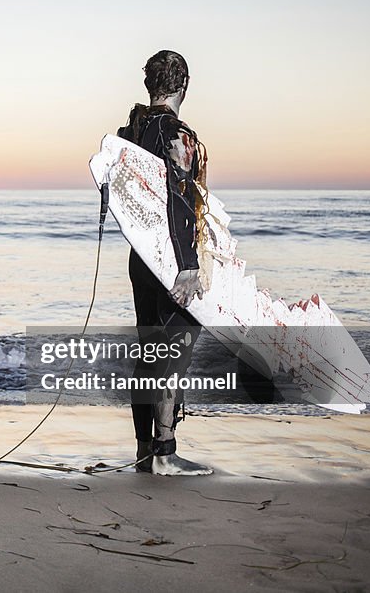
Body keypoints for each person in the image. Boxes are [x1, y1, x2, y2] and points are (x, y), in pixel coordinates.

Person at [116, 50, 212, 476]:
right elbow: (178, 197)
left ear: (149, 85)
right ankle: (166, 453)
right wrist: (188, 264)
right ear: (184, 85)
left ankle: (142, 452)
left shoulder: (131, 131)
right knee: (175, 350)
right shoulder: (175, 132)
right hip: (171, 260)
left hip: (140, 258)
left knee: (149, 352)